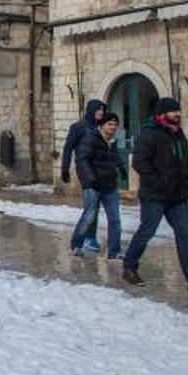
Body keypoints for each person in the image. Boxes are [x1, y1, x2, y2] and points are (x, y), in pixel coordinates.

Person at [121, 97, 188, 291]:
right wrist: (158, 182)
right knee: (147, 231)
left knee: (186, 235)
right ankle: (129, 267)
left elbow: (186, 160)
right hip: (155, 195)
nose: (178, 114)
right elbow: (140, 163)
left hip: (177, 196)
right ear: (162, 114)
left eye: (179, 111)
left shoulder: (178, 133)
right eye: (174, 111)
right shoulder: (149, 134)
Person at [71, 111, 123, 259]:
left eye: (115, 125)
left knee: (115, 219)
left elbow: (115, 158)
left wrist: (122, 169)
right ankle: (76, 245)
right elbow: (82, 160)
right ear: (102, 125)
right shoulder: (90, 139)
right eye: (110, 124)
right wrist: (89, 180)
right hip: (93, 186)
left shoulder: (113, 142)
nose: (113, 127)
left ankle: (114, 252)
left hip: (110, 186)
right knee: (89, 216)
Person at [60, 99, 107, 253]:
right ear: (91, 110)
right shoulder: (78, 127)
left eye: (103, 109)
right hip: (86, 172)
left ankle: (90, 238)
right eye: (98, 109)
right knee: (91, 208)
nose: (101, 112)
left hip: (101, 171)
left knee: (93, 207)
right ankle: (81, 241)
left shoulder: (102, 128)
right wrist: (65, 169)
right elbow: (68, 148)